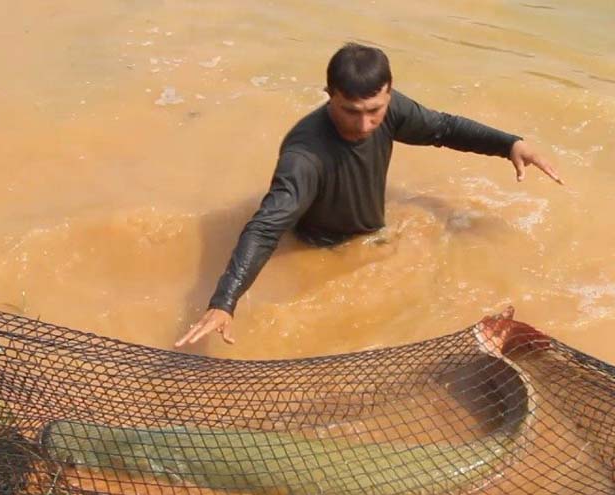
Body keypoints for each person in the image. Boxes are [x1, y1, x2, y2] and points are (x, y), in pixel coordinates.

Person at [176, 42, 562, 348]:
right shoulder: (304, 156)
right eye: (350, 111)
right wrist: (223, 302)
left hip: (371, 233)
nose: (364, 124)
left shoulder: (392, 110)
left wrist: (509, 144)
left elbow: (444, 129)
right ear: (329, 95)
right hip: (323, 247)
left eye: (374, 110)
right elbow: (264, 229)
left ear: (389, 94)